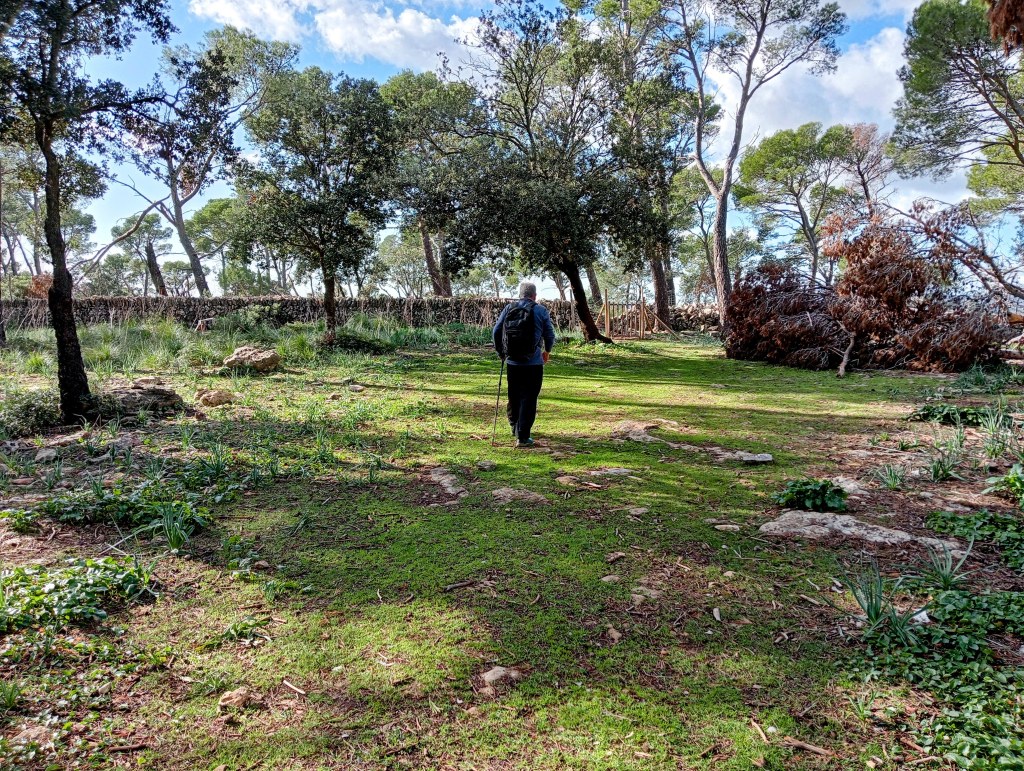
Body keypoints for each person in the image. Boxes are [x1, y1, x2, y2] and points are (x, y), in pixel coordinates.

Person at [493, 281, 556, 448]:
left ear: (520, 294)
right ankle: (523, 436)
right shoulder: (540, 310)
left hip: (512, 361)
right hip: (533, 362)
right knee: (529, 397)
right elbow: (549, 335)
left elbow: (496, 331)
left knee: (514, 396)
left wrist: (501, 352)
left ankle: (515, 428)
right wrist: (547, 351)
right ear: (534, 296)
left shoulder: (509, 308)